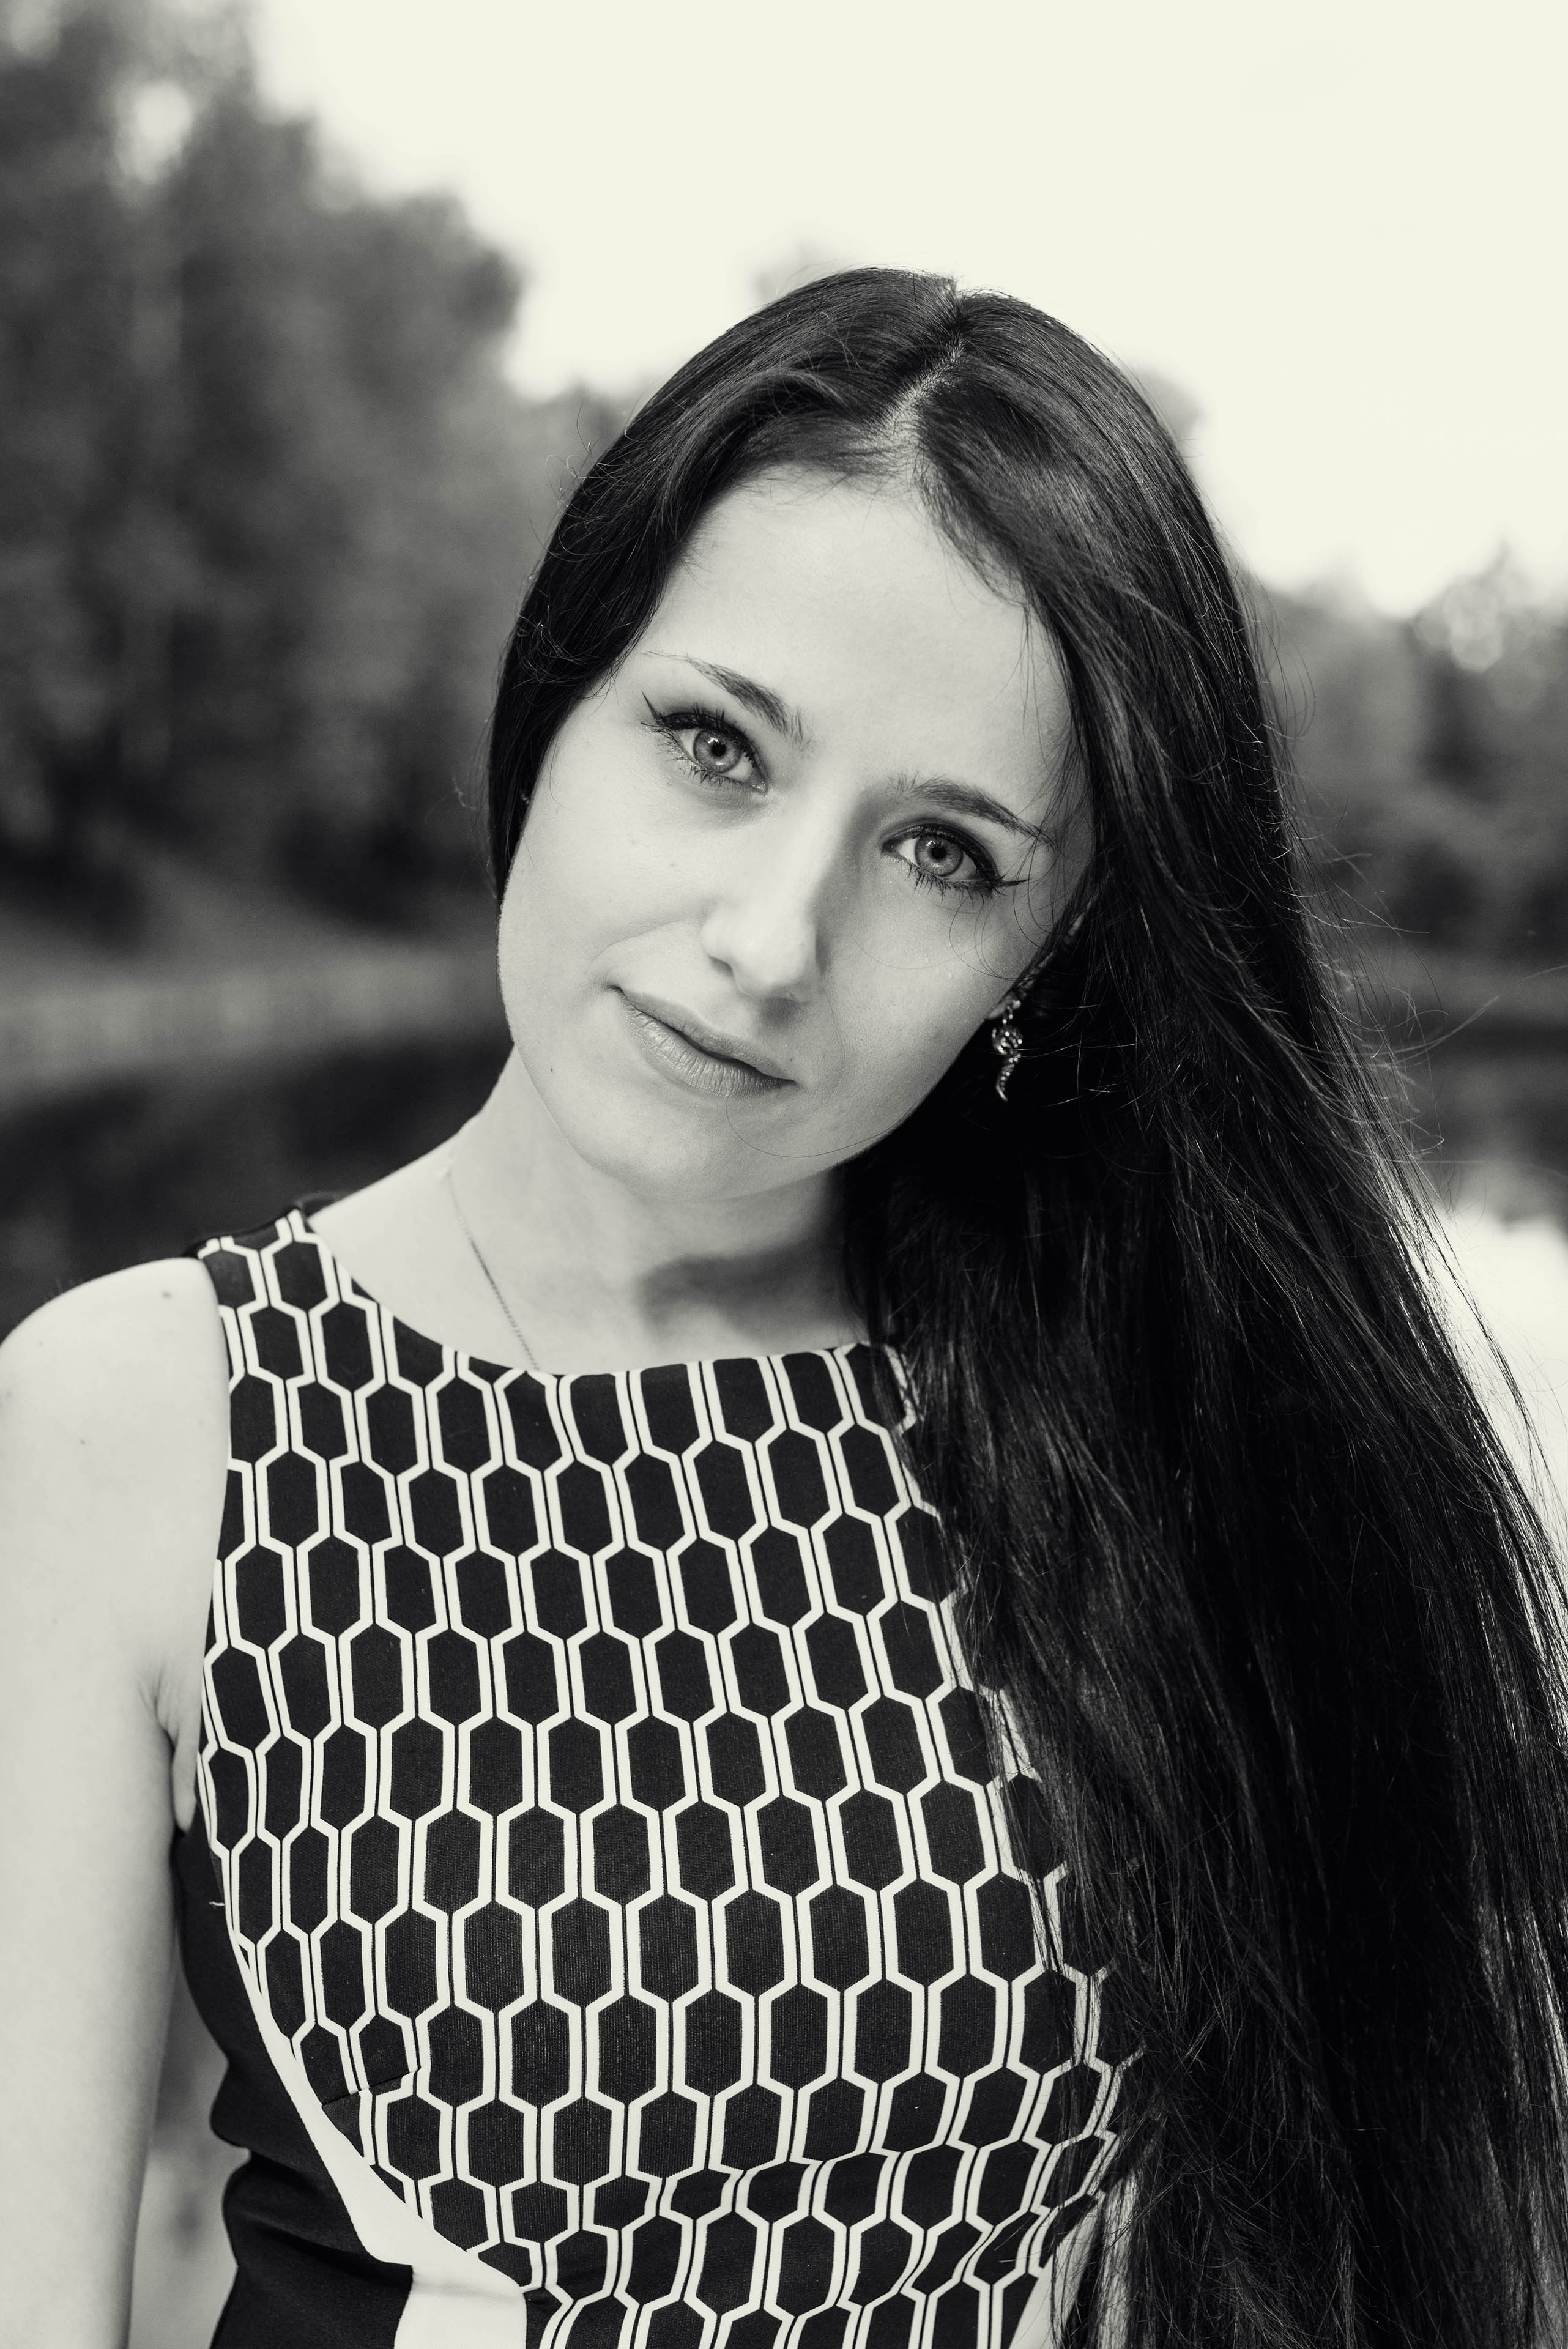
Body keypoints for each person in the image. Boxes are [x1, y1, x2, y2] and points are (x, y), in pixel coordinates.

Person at [2, 268, 1566, 2349]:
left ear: (1046, 954)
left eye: (941, 854)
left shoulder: (1131, 1419)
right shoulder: (145, 1423)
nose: (768, 941)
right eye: (713, 745)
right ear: (556, 689)